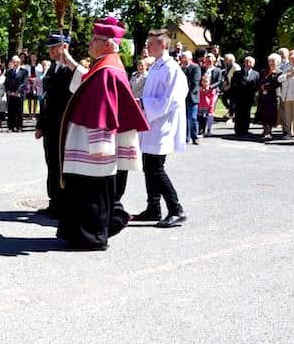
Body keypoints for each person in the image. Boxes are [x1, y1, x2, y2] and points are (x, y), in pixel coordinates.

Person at [57, 17, 149, 250]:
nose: (90, 42)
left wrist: (100, 146)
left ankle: (92, 237)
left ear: (108, 43)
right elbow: (86, 80)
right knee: (89, 190)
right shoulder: (107, 64)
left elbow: (103, 108)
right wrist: (68, 60)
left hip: (93, 145)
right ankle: (85, 233)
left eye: (94, 39)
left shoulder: (108, 69)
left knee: (91, 191)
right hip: (88, 141)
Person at [133, 29, 188, 227]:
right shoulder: (156, 66)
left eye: (151, 43)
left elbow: (171, 99)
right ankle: (153, 208)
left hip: (162, 124)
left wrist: (144, 104)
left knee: (156, 168)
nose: (147, 47)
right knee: (149, 166)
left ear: (163, 45)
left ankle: (176, 209)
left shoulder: (172, 69)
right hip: (151, 123)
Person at [35, 33, 77, 218]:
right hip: (50, 124)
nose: (51, 51)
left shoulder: (71, 70)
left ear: (65, 47)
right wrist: (40, 124)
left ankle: (65, 203)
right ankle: (54, 200)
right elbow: (45, 100)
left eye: (55, 47)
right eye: (50, 47)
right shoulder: (52, 68)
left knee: (62, 164)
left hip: (64, 124)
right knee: (51, 163)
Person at [255, 53, 282, 141]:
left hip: (274, 96)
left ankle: (269, 131)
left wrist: (266, 86)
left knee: (271, 114)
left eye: (273, 61)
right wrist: (261, 87)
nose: (271, 63)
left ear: (278, 62)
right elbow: (259, 82)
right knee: (263, 113)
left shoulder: (280, 73)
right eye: (270, 61)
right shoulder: (264, 72)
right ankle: (264, 129)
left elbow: (276, 83)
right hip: (263, 96)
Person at [231, 57, 259, 137]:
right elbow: (233, 85)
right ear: (244, 63)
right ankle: (238, 130)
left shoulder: (256, 74)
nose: (248, 64)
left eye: (250, 62)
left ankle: (245, 130)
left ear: (253, 64)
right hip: (239, 97)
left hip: (249, 97)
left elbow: (257, 86)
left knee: (247, 114)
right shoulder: (237, 73)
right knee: (238, 114)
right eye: (246, 62)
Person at [178, 51, 201, 144]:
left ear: (189, 58)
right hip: (182, 97)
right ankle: (185, 137)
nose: (182, 59)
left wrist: (187, 93)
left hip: (192, 96)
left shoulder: (195, 67)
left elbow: (195, 83)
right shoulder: (180, 68)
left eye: (184, 57)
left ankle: (195, 137)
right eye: (181, 57)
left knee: (193, 118)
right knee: (184, 118)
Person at [5, 56, 29, 132]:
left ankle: (19, 127)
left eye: (17, 62)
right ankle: (11, 127)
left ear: (19, 62)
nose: (15, 63)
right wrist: (8, 91)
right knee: (11, 110)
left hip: (19, 94)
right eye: (14, 62)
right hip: (11, 94)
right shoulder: (9, 72)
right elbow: (6, 83)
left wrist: (17, 91)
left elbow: (24, 83)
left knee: (19, 111)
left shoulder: (24, 71)